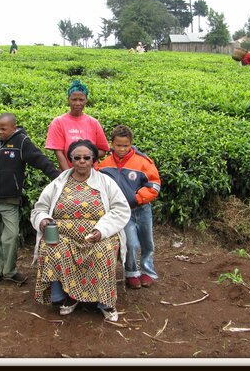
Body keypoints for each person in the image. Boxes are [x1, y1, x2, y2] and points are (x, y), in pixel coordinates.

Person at [30, 139, 131, 322]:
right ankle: (67, 297)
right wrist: (43, 220)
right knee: (52, 247)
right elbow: (39, 208)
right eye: (77, 158)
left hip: (97, 236)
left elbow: (121, 209)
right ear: (71, 160)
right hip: (64, 236)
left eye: (86, 157)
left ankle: (105, 302)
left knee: (104, 251)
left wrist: (101, 230)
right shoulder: (58, 183)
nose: (82, 161)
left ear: (93, 160)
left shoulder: (105, 182)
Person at [0, 113, 60, 287]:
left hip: (9, 201)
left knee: (11, 236)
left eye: (3, 128)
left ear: (14, 127)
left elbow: (41, 161)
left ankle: (10, 271)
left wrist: (60, 179)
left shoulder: (22, 143)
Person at [98, 125, 161, 289]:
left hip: (143, 210)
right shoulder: (104, 166)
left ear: (131, 143)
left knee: (148, 242)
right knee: (131, 244)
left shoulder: (143, 162)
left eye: (125, 145)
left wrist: (138, 198)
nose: (122, 149)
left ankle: (148, 272)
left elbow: (154, 185)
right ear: (112, 144)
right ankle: (132, 273)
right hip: (122, 213)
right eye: (118, 145)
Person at [45, 80, 110, 172]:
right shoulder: (58, 122)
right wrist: (68, 175)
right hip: (67, 172)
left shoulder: (94, 123)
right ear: (68, 100)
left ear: (86, 100)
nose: (77, 103)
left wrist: (85, 157)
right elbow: (58, 152)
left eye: (81, 100)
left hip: (91, 174)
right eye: (74, 99)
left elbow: (103, 150)